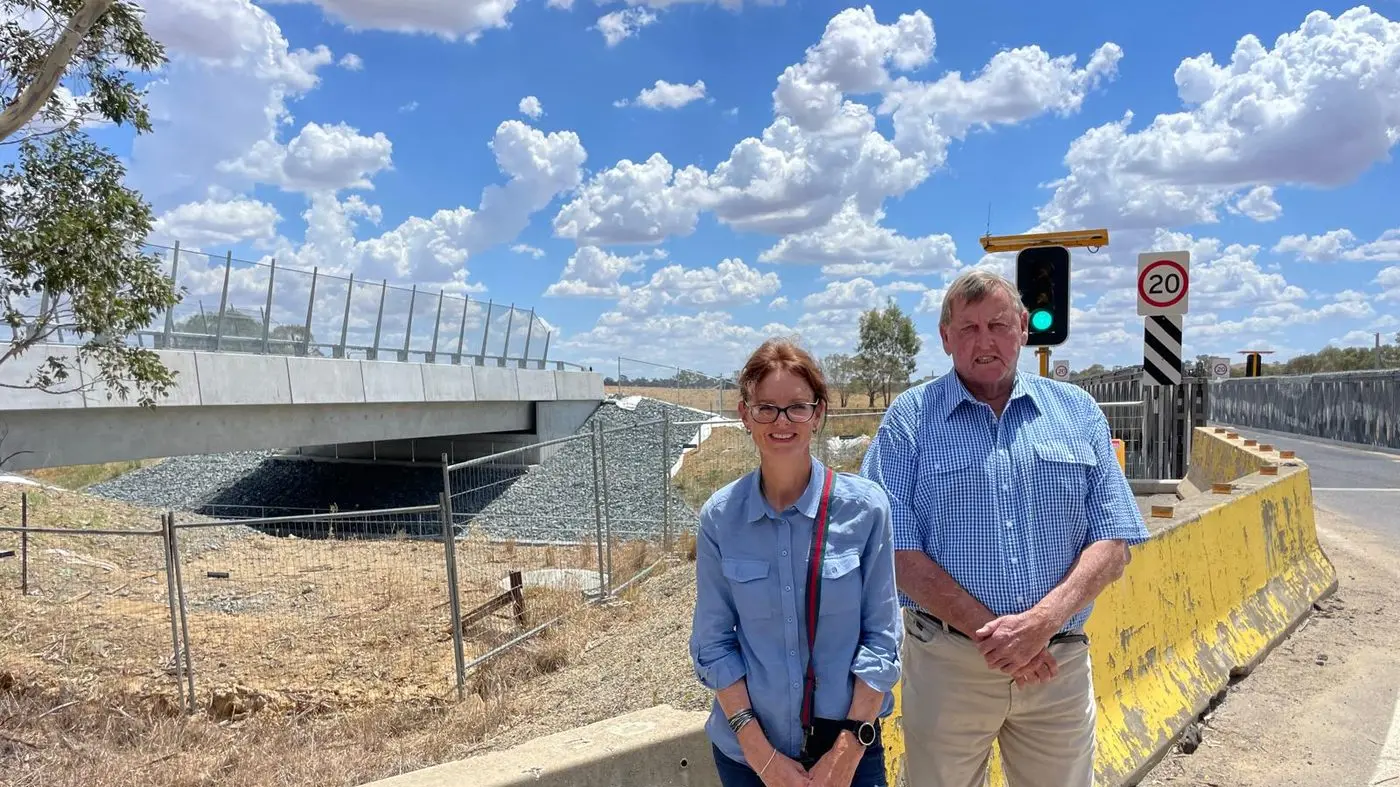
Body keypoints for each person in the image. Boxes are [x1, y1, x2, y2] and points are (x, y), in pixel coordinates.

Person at [859, 270, 1150, 787]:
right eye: (967, 328)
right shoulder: (909, 421)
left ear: (1022, 327)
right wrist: (998, 638)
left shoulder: (1077, 413)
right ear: (946, 338)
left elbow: (1113, 542)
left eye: (997, 324)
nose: (984, 340)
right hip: (950, 665)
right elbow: (895, 552)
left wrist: (1039, 625)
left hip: (1054, 665)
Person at [689, 338, 903, 787]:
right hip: (748, 758)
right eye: (766, 407)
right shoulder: (720, 519)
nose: (781, 422)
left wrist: (845, 752)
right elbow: (713, 645)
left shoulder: (866, 511)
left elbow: (882, 640)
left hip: (848, 752)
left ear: (819, 413)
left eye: (797, 407)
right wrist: (762, 758)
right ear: (745, 415)